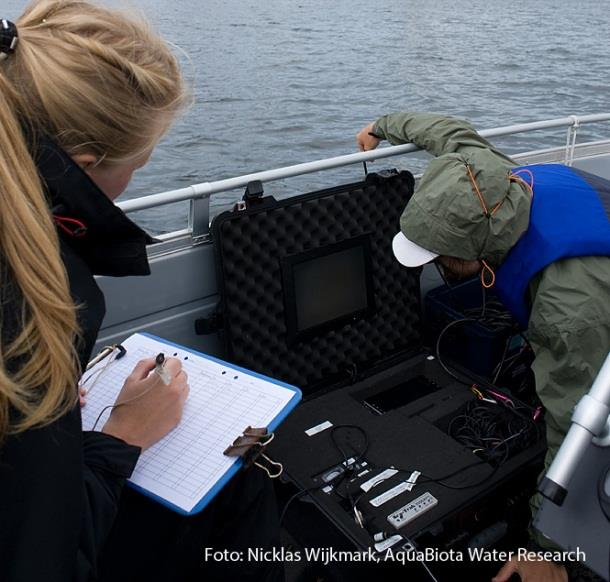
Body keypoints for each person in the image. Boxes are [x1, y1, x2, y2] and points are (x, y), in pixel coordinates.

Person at [0, 3, 282, 581]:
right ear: (80, 166)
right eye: (137, 165)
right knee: (241, 489)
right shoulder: (29, 309)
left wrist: (51, 416)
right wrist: (118, 441)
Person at [357, 112, 610, 582]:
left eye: (440, 258)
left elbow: (578, 428)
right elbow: (446, 132)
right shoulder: (489, 179)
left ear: (476, 248)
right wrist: (381, 125)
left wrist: (549, 549)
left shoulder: (565, 311)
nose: (436, 268)